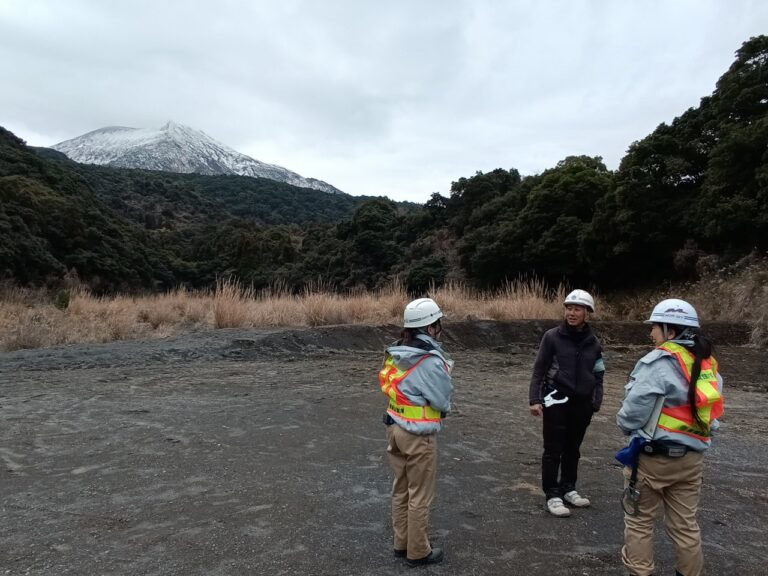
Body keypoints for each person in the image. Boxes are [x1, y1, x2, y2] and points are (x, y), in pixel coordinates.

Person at [617, 298, 724, 576]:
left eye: (655, 327)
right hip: (691, 461)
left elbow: (631, 415)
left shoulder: (658, 363)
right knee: (686, 526)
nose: (651, 332)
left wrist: (626, 428)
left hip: (653, 460)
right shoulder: (707, 365)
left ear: (671, 332)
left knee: (639, 522)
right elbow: (711, 416)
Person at [379, 297, 454, 567]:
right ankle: (419, 552)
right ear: (432, 326)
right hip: (419, 436)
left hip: (395, 427)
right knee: (420, 495)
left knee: (401, 490)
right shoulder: (430, 360)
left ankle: (401, 544)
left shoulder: (397, 352)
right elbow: (442, 401)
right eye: (438, 323)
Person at [529, 289, 605, 517]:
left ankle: (568, 488)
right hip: (556, 400)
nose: (572, 313)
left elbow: (599, 373)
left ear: (587, 313)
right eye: (569, 308)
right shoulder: (552, 337)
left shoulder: (594, 342)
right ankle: (552, 494)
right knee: (553, 450)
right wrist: (535, 399)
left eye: (577, 309)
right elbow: (539, 370)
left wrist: (595, 401)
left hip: (582, 404)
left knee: (573, 449)